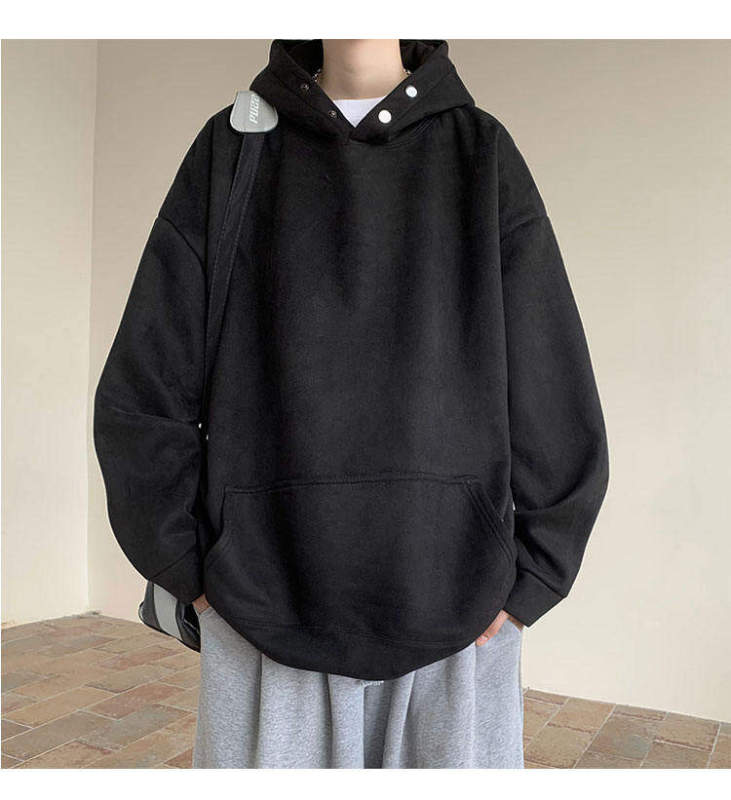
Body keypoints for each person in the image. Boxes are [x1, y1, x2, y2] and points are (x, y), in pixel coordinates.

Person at [94, 39, 609, 768]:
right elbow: (145, 386)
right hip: (260, 603)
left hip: (457, 612)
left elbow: (550, 380)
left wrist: (533, 579)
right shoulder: (233, 148)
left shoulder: (479, 150)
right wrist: (190, 568)